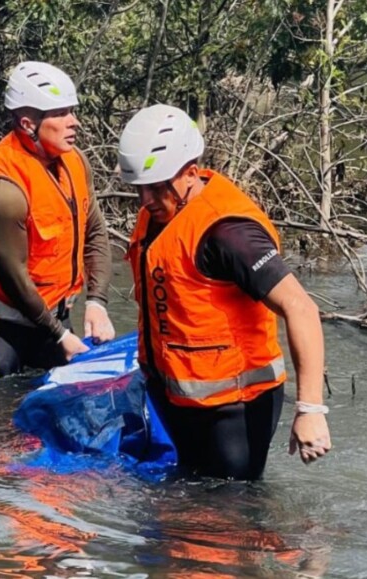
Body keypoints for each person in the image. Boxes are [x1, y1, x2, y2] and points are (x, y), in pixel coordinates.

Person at [117, 104, 331, 480]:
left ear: (191, 173)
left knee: (230, 517)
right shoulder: (159, 211)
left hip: (235, 407)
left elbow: (301, 308)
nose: (145, 200)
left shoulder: (229, 233)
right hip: (178, 396)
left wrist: (311, 410)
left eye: (155, 188)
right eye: (139, 189)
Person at [0, 61, 115, 378]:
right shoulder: (1, 189)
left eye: (72, 111)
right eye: (61, 113)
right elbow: (13, 278)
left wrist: (97, 301)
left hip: (50, 310)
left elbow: (94, 233)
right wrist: (60, 335)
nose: (74, 122)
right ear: (28, 124)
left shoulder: (76, 162)